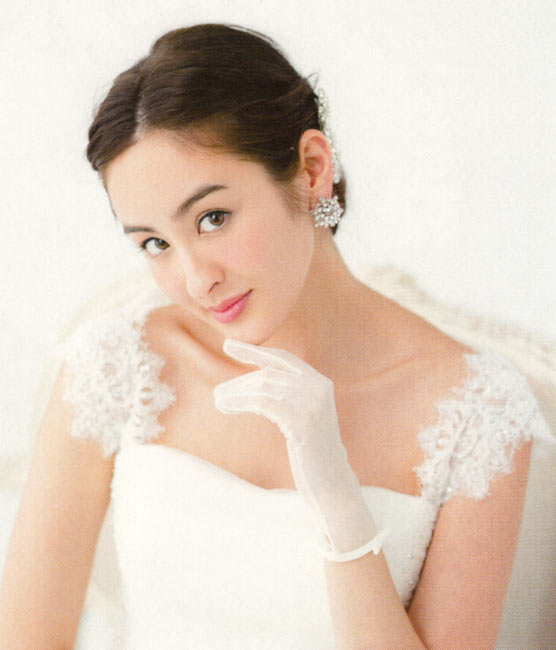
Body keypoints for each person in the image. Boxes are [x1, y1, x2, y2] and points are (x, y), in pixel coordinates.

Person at [0, 23, 554, 650]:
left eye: (213, 218)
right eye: (154, 243)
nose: (196, 280)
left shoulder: (478, 409)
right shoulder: (119, 362)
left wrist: (337, 497)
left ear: (313, 169)